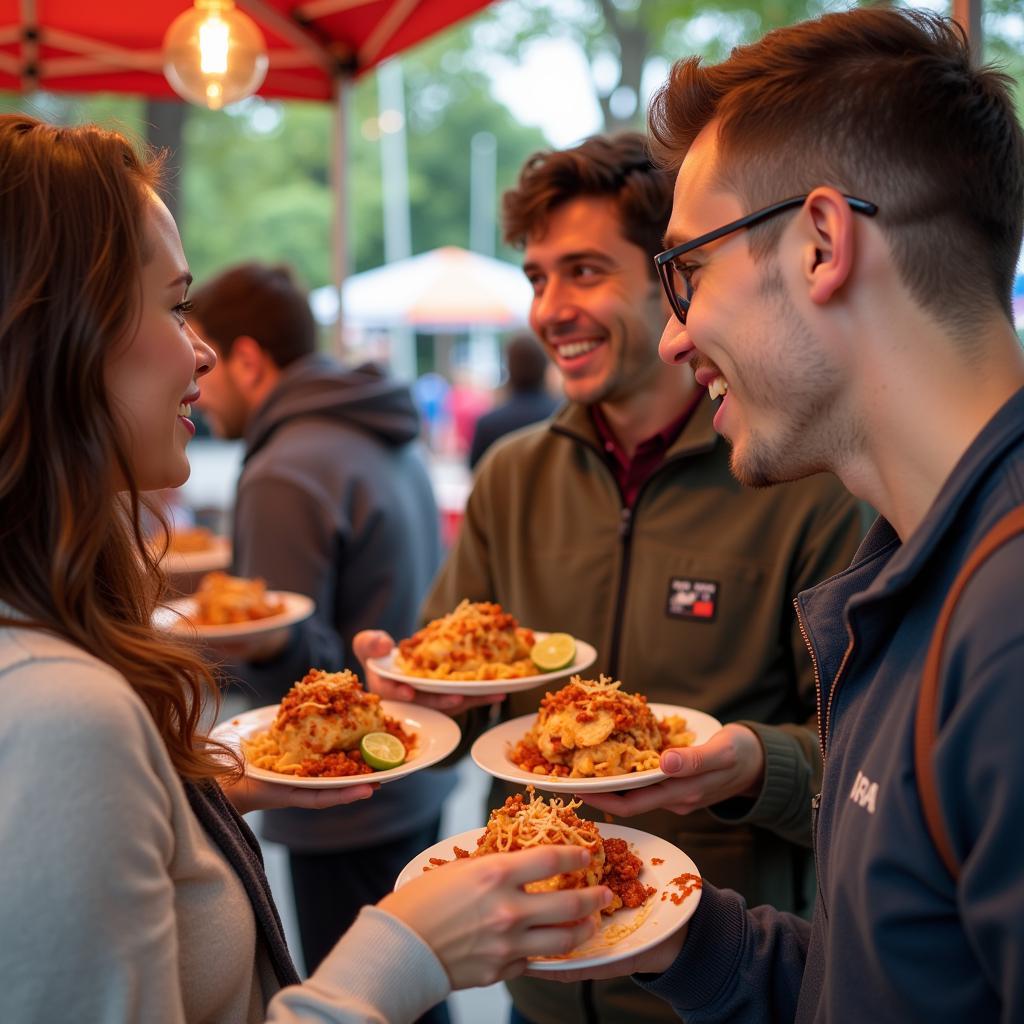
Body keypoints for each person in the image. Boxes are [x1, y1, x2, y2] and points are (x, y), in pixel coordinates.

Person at [0, 114, 613, 1023]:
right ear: (64, 337)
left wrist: (184, 797)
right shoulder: (60, 716)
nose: (199, 349)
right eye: (173, 306)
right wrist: (408, 951)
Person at [545, 8, 1024, 1021]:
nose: (674, 338)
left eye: (686, 271)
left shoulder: (1003, 626)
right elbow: (887, 980)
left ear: (819, 243)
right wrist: (679, 931)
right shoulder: (909, 568)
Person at [362, 131, 867, 1024]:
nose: (552, 308)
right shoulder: (513, 475)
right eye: (537, 279)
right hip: (535, 971)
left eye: (585, 271)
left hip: (721, 985)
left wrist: (756, 766)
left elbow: (868, 764)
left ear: (669, 277)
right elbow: (463, 686)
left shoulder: (798, 480)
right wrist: (409, 691)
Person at [188, 264, 458, 1007]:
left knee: (370, 1002)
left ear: (248, 359)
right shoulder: (382, 425)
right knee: (422, 991)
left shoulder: (285, 468)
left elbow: (302, 670)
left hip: (339, 799)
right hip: (417, 762)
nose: (196, 380)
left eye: (204, 356)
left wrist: (242, 638)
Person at [469, 332, 559, 469]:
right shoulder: (562, 418)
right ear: (545, 366)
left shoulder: (488, 424)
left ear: (509, 367)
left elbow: (476, 472)